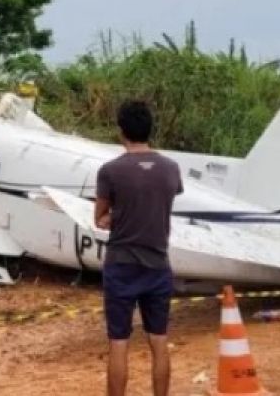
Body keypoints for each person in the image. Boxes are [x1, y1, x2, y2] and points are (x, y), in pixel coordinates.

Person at [93, 100, 183, 396]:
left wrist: (119, 215)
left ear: (122, 132)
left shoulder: (110, 171)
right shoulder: (171, 169)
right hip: (158, 265)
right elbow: (161, 202)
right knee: (159, 340)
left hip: (121, 266)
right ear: (149, 130)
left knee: (119, 342)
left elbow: (101, 219)